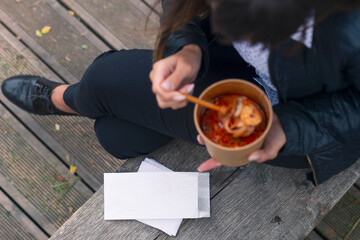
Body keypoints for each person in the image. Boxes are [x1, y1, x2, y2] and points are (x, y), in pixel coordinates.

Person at [2, 0, 360, 186]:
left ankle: (66, 100)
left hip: (304, 122)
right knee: (115, 135)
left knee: (103, 81)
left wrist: (287, 127)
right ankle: (83, 101)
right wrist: (185, 47)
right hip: (230, 60)